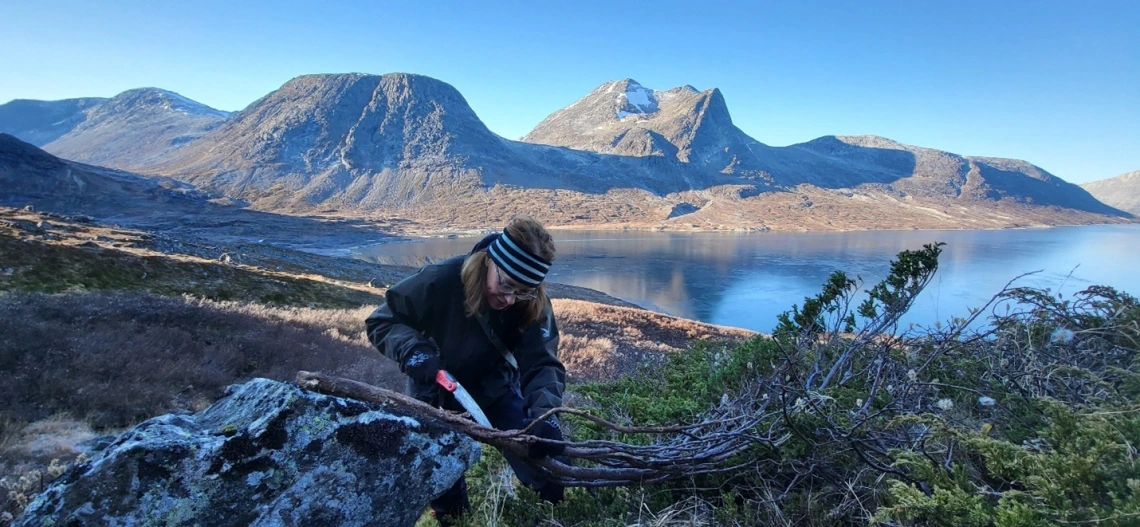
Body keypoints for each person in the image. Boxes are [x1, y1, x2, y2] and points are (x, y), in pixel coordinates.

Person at [365, 216, 567, 520]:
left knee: (544, 463)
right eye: (507, 285)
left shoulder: (532, 299)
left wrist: (545, 414)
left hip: (495, 389)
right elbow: (382, 321)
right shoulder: (440, 279)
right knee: (445, 485)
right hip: (435, 395)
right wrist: (414, 351)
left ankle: (562, 514)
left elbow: (542, 363)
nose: (511, 299)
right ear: (489, 262)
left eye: (523, 291)